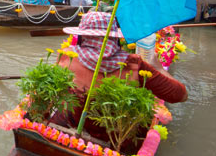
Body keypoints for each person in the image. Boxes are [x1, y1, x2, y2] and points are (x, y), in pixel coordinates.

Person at [51, 12, 187, 144]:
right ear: (114, 38)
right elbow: (181, 95)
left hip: (70, 123)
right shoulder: (135, 64)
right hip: (116, 137)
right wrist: (158, 68)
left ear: (82, 36)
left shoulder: (66, 54)